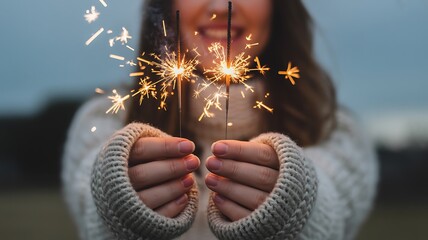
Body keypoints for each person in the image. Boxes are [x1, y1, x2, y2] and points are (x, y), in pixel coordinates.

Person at [62, 0, 378, 239]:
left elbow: (334, 207)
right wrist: (116, 201)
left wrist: (296, 208)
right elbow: (88, 196)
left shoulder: (335, 131)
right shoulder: (105, 121)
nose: (220, 7)